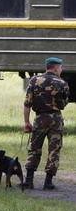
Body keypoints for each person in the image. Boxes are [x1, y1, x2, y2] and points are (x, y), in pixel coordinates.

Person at [22, 57, 69, 190]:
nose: (61, 70)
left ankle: (29, 180)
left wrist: (26, 121)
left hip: (39, 119)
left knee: (34, 148)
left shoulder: (34, 80)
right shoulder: (62, 83)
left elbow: (27, 103)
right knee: (54, 150)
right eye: (60, 68)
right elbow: (64, 103)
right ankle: (48, 182)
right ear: (55, 68)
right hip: (56, 119)